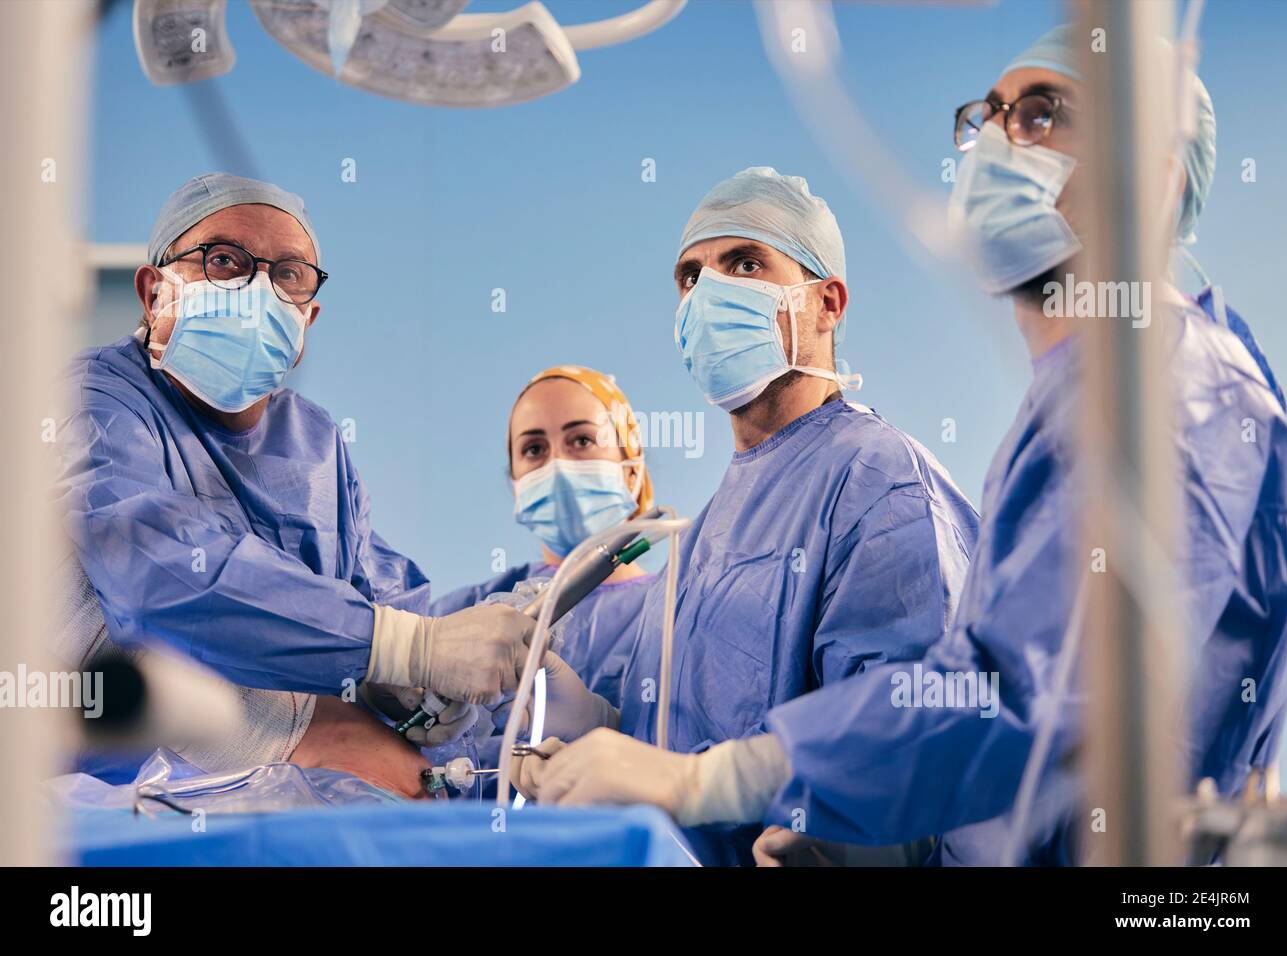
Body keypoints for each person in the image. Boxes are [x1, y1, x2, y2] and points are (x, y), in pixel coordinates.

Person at [516, 27, 1287, 867]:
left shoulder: (1180, 389)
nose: (998, 141)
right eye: (988, 116)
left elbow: (1028, 690)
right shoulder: (1075, 406)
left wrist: (718, 783)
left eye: (1042, 115)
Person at [514, 167, 982, 865]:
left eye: (744, 263)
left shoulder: (877, 478)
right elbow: (684, 752)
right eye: (690, 276)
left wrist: (827, 845)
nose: (709, 293)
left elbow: (912, 737)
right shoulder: (699, 541)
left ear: (828, 303)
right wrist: (599, 734)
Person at [51, 173, 537, 795]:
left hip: (274, 785)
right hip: (103, 775)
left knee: (436, 784)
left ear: (306, 318)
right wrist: (399, 647)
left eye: (287, 274)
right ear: (153, 293)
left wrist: (455, 697)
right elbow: (155, 570)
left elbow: (379, 595)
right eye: (223, 261)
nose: (256, 290)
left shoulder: (314, 441)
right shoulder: (92, 397)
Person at [427, 365, 657, 708]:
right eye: (534, 449)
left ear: (632, 471)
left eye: (582, 440)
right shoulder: (469, 612)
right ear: (515, 483)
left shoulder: (672, 610)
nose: (558, 466)